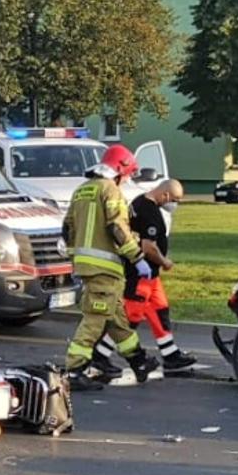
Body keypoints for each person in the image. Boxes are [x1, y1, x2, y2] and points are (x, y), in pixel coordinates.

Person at [61, 144, 169, 391]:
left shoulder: (82, 190)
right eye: (128, 174)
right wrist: (137, 258)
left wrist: (75, 257)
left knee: (117, 319)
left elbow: (67, 228)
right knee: (96, 318)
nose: (127, 179)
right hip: (105, 268)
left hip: (87, 266)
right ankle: (74, 370)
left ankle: (139, 361)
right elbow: (117, 228)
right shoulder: (110, 191)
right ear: (119, 170)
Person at [92, 178, 198, 386]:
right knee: (130, 316)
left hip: (150, 275)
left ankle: (170, 355)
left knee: (160, 311)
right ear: (165, 195)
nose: (175, 204)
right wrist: (165, 261)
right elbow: (149, 246)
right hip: (142, 273)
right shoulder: (151, 213)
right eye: (175, 200)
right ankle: (101, 354)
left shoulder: (139, 202)